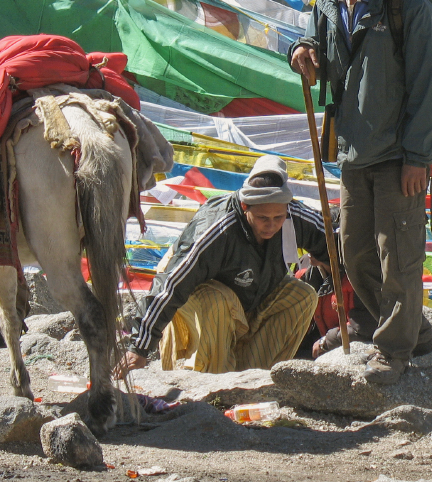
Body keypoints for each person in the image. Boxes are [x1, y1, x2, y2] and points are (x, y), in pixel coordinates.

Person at [288, 0, 432, 384]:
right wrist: (302, 52)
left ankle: (393, 352)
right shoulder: (329, 1)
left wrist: (420, 156)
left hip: (401, 152)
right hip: (353, 149)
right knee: (354, 251)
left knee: (397, 254)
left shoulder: (408, 6)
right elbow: (314, 40)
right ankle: (413, 331)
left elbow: (430, 86)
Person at [115, 155, 323, 376]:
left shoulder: (292, 215)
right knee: (218, 302)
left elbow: (332, 235)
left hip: (255, 295)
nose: (271, 226)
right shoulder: (217, 228)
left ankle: (254, 378)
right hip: (197, 292)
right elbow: (173, 282)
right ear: (245, 206)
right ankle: (215, 383)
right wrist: (139, 346)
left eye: (278, 218)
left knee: (302, 296)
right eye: (262, 218)